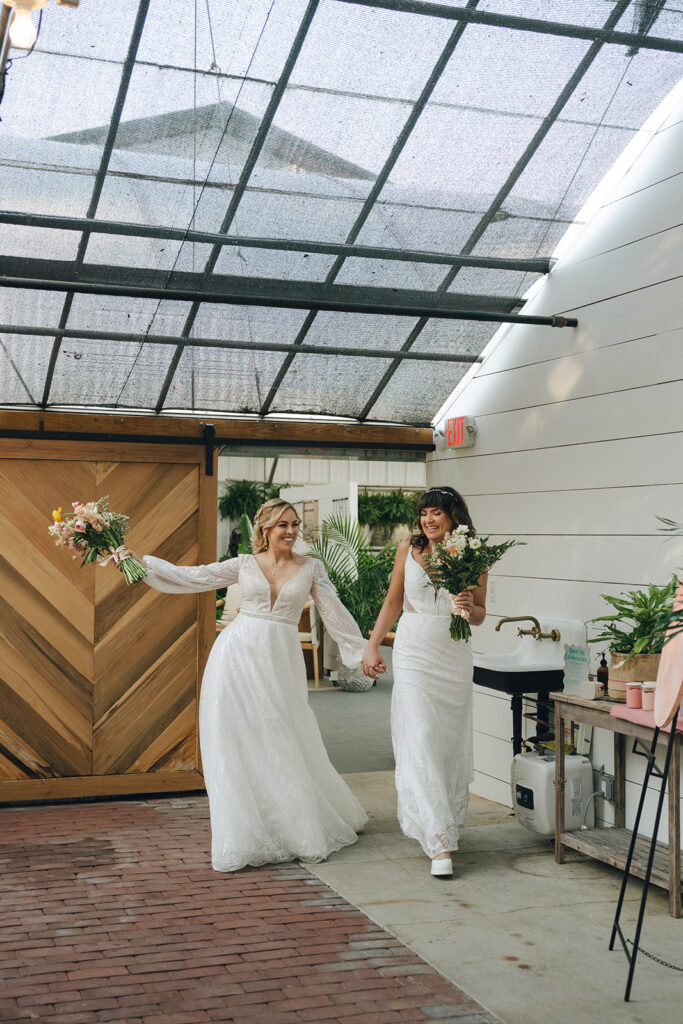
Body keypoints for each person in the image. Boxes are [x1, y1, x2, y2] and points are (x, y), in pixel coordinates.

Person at [126, 498, 378, 872]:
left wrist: (362, 653)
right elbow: (194, 576)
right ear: (265, 530)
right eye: (282, 525)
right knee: (239, 738)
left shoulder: (311, 568)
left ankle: (294, 822)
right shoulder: (243, 564)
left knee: (282, 734)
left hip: (280, 661)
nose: (291, 531)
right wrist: (140, 564)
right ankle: (246, 830)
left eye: (294, 524)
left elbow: (335, 613)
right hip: (236, 658)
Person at [361, 486, 487, 879]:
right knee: (420, 736)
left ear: (454, 517)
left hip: (453, 654)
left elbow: (481, 614)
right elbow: (393, 602)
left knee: (445, 743)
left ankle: (444, 819)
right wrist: (372, 646)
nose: (429, 520)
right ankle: (439, 843)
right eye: (424, 513)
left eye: (437, 513)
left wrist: (469, 606)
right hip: (414, 653)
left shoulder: (475, 553)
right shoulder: (407, 549)